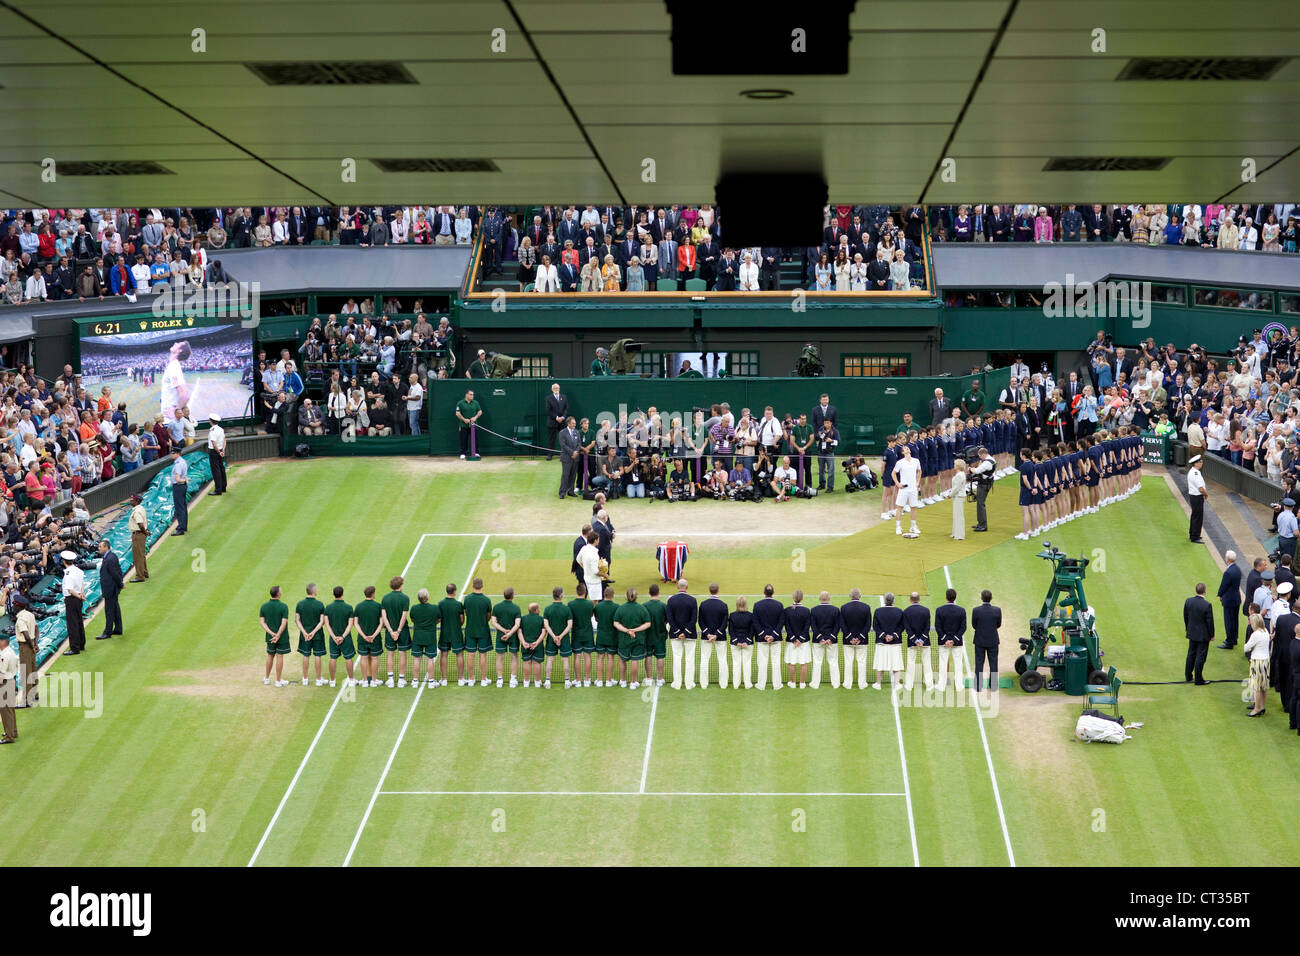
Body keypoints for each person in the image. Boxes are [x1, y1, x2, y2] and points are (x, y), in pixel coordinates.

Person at [613, 586, 651, 689]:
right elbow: (647, 624)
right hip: (638, 639)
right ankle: (633, 683)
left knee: (622, 659)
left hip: (623, 639)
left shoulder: (621, 609)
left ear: (626, 596)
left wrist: (627, 631)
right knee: (635, 660)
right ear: (636, 596)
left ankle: (623, 681)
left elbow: (616, 623)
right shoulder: (642, 609)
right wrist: (634, 630)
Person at [380, 576, 412, 687]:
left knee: (390, 654)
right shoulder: (405, 598)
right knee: (402, 654)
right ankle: (401, 680)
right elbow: (404, 616)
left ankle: (390, 680)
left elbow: (384, 616)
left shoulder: (385, 598)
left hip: (390, 632)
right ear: (400, 586)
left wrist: (390, 631)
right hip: (402, 631)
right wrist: (398, 631)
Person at [666, 578, 698, 690]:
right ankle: (689, 684)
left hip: (675, 635)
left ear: (677, 587)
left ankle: (677, 683)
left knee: (677, 658)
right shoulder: (692, 600)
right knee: (690, 659)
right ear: (687, 587)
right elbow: (694, 619)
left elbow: (670, 619)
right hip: (690, 635)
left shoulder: (671, 601)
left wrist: (678, 632)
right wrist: (685, 632)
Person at [933, 588, 967, 691]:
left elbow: (937, 627)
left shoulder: (939, 610)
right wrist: (954, 640)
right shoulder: (961, 610)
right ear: (955, 598)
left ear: (946, 597)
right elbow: (963, 627)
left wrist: (945, 640)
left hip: (943, 642)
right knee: (958, 663)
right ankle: (959, 686)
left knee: (943, 663)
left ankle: (941, 686)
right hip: (957, 642)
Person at [697, 582, 729, 689]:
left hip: (706, 637)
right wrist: (716, 634)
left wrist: (707, 634)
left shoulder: (703, 604)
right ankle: (723, 684)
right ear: (718, 590)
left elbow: (700, 621)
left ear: (709, 591)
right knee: (722, 659)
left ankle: (703, 684)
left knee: (704, 659)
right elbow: (724, 623)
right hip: (720, 637)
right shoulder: (723, 605)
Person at [323, 585, 357, 688]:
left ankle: (332, 681)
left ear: (333, 594)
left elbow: (326, 624)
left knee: (333, 658)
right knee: (348, 658)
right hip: (345, 638)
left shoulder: (328, 607)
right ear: (342, 594)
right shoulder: (348, 607)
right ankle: (351, 680)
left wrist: (334, 637)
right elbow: (350, 624)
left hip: (333, 639)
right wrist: (342, 637)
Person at [462, 578, 493, 687]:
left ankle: (471, 679)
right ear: (482, 585)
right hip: (483, 631)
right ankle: (483, 680)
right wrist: (484, 621)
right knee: (483, 655)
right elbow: (489, 615)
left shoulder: (467, 599)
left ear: (473, 585)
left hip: (470, 630)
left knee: (470, 655)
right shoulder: (486, 600)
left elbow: (465, 613)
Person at [295, 583, 328, 686]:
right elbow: (322, 621)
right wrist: (313, 632)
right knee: (318, 656)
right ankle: (318, 680)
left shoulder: (300, 604)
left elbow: (297, 620)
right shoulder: (320, 604)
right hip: (317, 635)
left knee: (306, 655)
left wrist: (305, 633)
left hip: (305, 635)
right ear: (314, 591)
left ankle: (305, 679)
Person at [1183, 581, 1214, 685]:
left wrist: (1188, 628)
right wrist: (1212, 634)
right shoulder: (1207, 605)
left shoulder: (1188, 601)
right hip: (1203, 636)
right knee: (1200, 657)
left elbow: (1186, 617)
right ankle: (1198, 679)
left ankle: (1188, 676)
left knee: (1191, 654)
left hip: (1192, 633)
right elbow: (1210, 622)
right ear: (1204, 591)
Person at [490, 586, 522, 687]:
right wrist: (509, 634)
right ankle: (513, 680)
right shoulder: (516, 608)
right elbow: (517, 625)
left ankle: (500, 680)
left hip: (500, 636)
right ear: (512, 596)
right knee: (514, 657)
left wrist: (504, 631)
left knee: (500, 658)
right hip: (513, 637)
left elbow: (493, 622)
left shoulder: (497, 607)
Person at [872, 592, 905, 690]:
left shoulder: (878, 611)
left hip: (882, 642)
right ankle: (897, 684)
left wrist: (884, 636)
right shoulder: (899, 611)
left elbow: (875, 626)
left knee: (880, 663)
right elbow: (902, 626)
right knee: (896, 663)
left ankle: (878, 683)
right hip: (895, 643)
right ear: (893, 600)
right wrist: (893, 636)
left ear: (885, 600)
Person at [260, 585, 292, 686]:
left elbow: (262, 622)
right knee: (279, 656)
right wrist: (277, 635)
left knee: (270, 655)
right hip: (281, 637)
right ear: (278, 594)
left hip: (270, 637)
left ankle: (267, 678)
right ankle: (278, 681)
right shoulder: (283, 606)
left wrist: (271, 633)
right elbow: (284, 623)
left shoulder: (264, 606)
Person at [355, 585, 386, 687]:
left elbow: (356, 623)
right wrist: (373, 635)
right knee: (375, 658)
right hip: (375, 639)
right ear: (373, 594)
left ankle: (364, 681)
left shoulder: (358, 606)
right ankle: (373, 680)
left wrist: (364, 636)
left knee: (363, 658)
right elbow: (381, 623)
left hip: (362, 639)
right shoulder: (378, 606)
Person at [809, 591, 842, 689]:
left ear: (819, 598)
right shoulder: (835, 610)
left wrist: (820, 638)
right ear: (829, 598)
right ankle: (836, 684)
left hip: (818, 641)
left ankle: (815, 684)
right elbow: (837, 626)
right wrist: (831, 638)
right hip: (832, 641)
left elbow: (813, 626)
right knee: (833, 662)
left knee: (817, 662)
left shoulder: (814, 610)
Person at [971, 589, 1001, 692]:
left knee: (979, 663)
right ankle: (993, 686)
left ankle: (978, 686)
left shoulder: (976, 610)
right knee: (993, 663)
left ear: (981, 598)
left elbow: (974, 625)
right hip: (993, 641)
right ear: (991, 598)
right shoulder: (997, 610)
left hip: (980, 640)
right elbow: (998, 624)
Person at [542, 586, 573, 688]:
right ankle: (567, 681)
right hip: (564, 639)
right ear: (561, 595)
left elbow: (546, 625)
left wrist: (554, 637)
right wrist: (560, 636)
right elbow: (569, 625)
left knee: (550, 659)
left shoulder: (547, 609)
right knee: (565, 660)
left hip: (551, 639)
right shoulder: (567, 609)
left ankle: (547, 681)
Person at [436, 583, 467, 687]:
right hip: (456, 633)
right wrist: (457, 625)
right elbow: (462, 620)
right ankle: (460, 679)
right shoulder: (458, 605)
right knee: (459, 655)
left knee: (444, 654)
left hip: (444, 633)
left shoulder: (440, 604)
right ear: (454, 591)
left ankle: (444, 679)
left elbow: (439, 619)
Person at [409, 589, 440, 688]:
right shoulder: (435, 608)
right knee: (430, 659)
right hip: (430, 637)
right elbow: (439, 619)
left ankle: (415, 681)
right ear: (428, 597)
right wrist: (431, 623)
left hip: (418, 637)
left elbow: (413, 619)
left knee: (417, 659)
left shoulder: (414, 608)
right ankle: (431, 682)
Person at [902, 591, 933, 691]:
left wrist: (915, 640)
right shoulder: (926, 610)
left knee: (910, 663)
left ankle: (908, 686)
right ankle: (929, 686)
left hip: (912, 642)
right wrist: (922, 639)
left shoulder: (906, 611)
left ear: (910, 600)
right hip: (925, 642)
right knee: (927, 663)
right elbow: (927, 627)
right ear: (919, 599)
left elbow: (907, 629)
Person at [95, 540, 125, 641]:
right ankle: (118, 628)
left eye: (100, 547)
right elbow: (118, 571)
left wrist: (120, 584)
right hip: (112, 588)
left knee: (109, 610)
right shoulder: (112, 556)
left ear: (106, 547)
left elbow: (115, 573)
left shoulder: (109, 559)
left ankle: (107, 632)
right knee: (115, 608)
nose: (99, 548)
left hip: (110, 589)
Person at [782, 590, 812, 688]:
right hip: (804, 642)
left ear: (793, 597)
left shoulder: (787, 610)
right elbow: (807, 627)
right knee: (804, 663)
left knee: (791, 662)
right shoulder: (807, 611)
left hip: (791, 642)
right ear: (802, 598)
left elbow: (787, 626)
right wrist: (801, 639)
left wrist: (794, 639)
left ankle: (793, 683)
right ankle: (802, 683)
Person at [568, 583, 595, 687]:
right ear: (585, 592)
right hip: (588, 633)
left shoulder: (571, 604)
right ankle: (587, 680)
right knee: (587, 655)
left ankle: (578, 680)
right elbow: (591, 615)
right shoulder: (590, 604)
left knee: (577, 656)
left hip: (576, 634)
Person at [12, 594, 38, 708]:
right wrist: (35, 643)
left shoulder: (21, 619)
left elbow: (26, 634)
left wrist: (32, 645)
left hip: (25, 646)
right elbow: (37, 630)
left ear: (18, 606)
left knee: (25, 672)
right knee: (32, 670)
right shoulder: (30, 615)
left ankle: (27, 701)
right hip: (31, 645)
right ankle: (34, 694)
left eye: (14, 605)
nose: (13, 606)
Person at [892, 443, 922, 537]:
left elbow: (919, 471)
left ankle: (913, 526)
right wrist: (897, 484)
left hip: (913, 488)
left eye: (908, 448)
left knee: (913, 507)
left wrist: (917, 482)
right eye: (905, 448)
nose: (907, 449)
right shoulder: (900, 462)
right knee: (900, 507)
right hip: (904, 488)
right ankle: (898, 527)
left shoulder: (916, 461)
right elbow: (893, 473)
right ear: (902, 452)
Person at [1244, 613, 1271, 718]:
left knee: (1257, 687)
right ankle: (1262, 706)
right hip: (1265, 660)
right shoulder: (1266, 631)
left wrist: (1249, 646)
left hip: (1257, 661)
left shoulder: (1255, 634)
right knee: (1263, 686)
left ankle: (1257, 708)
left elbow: (1246, 647)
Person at [61, 549, 86, 655]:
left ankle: (75, 647)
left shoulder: (68, 573)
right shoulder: (78, 570)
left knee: (72, 623)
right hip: (78, 598)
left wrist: (79, 596)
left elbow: (70, 590)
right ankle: (81, 643)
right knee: (79, 620)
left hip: (72, 599)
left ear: (64, 561)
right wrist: (81, 594)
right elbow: (82, 584)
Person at [1216, 550, 1243, 649]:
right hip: (1236, 598)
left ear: (1227, 559)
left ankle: (1229, 642)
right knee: (1234, 620)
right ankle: (1234, 638)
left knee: (1229, 621)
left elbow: (1224, 585)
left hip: (1229, 600)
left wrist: (1220, 594)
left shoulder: (1228, 572)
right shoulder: (1237, 569)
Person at [644, 582, 668, 686]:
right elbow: (667, 620)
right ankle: (659, 679)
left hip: (648, 636)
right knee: (660, 657)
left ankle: (649, 679)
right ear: (659, 592)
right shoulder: (663, 606)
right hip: (660, 636)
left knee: (648, 656)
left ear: (649, 593)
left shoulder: (644, 606)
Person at [518, 602, 547, 688]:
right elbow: (543, 633)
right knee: (536, 662)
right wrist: (537, 643)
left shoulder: (522, 619)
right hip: (538, 646)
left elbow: (519, 632)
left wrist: (523, 642)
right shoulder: (541, 619)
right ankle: (537, 683)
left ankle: (526, 682)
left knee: (527, 662)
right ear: (536, 610)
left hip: (525, 645)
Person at [969, 446, 994, 532]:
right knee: (980, 503)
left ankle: (983, 525)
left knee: (980, 503)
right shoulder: (990, 459)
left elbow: (976, 471)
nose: (979, 457)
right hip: (986, 482)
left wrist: (970, 468)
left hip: (984, 484)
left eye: (980, 456)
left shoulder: (987, 463)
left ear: (983, 454)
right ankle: (980, 523)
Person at [0, 632, 19, 744]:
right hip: (11, 681)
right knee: (10, 710)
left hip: (5, 684)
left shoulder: (4, 655)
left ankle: (9, 736)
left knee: (6, 711)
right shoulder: (11, 652)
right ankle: (13, 731)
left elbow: (1, 672)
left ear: (3, 642)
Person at [128, 493, 149, 581]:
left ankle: (140, 576)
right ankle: (144, 572)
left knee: (138, 556)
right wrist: (146, 532)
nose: (130, 501)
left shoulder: (136, 511)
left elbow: (140, 523)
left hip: (138, 535)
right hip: (141, 534)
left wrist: (145, 532)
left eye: (132, 500)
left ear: (137, 501)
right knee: (142, 555)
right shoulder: (141, 508)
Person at [545, 383, 569, 461]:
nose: (556, 389)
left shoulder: (564, 397)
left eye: (557, 388)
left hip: (562, 422)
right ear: (552, 389)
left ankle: (565, 454)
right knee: (551, 439)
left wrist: (563, 417)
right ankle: (550, 455)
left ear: (559, 389)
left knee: (564, 439)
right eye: (555, 388)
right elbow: (548, 411)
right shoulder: (549, 398)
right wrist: (556, 417)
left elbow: (566, 408)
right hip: (552, 422)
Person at [558, 416, 581, 498]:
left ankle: (571, 491)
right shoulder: (562, 433)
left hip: (575, 458)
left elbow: (579, 444)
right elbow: (563, 445)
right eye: (573, 423)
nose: (574, 425)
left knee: (573, 475)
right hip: (566, 457)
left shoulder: (577, 432)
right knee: (565, 475)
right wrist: (572, 452)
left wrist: (576, 452)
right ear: (568, 423)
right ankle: (562, 492)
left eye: (575, 423)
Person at [455, 389, 482, 459]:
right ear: (466, 395)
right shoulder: (460, 403)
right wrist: (464, 419)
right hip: (463, 425)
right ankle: (463, 453)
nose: (472, 396)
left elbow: (480, 412)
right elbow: (457, 413)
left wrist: (475, 417)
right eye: (470, 394)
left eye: (473, 394)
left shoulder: (476, 403)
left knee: (475, 439)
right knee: (463, 439)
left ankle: (476, 453)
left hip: (474, 425)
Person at [1187, 454, 1206, 543]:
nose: (1201, 463)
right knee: (1198, 516)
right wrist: (1206, 494)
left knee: (1195, 515)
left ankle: (1193, 533)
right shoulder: (1195, 473)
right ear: (1196, 464)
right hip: (1196, 496)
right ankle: (1195, 536)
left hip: (1194, 496)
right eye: (1200, 462)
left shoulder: (1194, 472)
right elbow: (1200, 488)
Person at [207, 413, 227, 495]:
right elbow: (224, 440)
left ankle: (218, 490)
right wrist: (223, 451)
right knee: (221, 469)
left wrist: (219, 452)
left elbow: (213, 443)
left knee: (216, 471)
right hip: (220, 450)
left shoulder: (213, 431)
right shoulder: (221, 429)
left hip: (215, 451)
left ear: (211, 421)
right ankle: (223, 487)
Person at [170, 450, 189, 534]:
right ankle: (183, 526)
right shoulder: (183, 461)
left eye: (173, 453)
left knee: (179, 508)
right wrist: (185, 480)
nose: (171, 455)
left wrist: (184, 481)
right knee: (183, 506)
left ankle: (181, 528)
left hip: (178, 486)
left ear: (178, 454)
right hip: (182, 487)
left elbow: (177, 479)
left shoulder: (178, 464)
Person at [950, 459, 967, 539]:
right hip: (957, 496)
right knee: (956, 515)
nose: (954, 465)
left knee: (958, 515)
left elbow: (956, 488)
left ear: (958, 466)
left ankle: (959, 535)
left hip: (958, 496)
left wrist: (950, 494)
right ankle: (955, 533)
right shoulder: (960, 474)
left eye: (955, 464)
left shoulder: (960, 475)